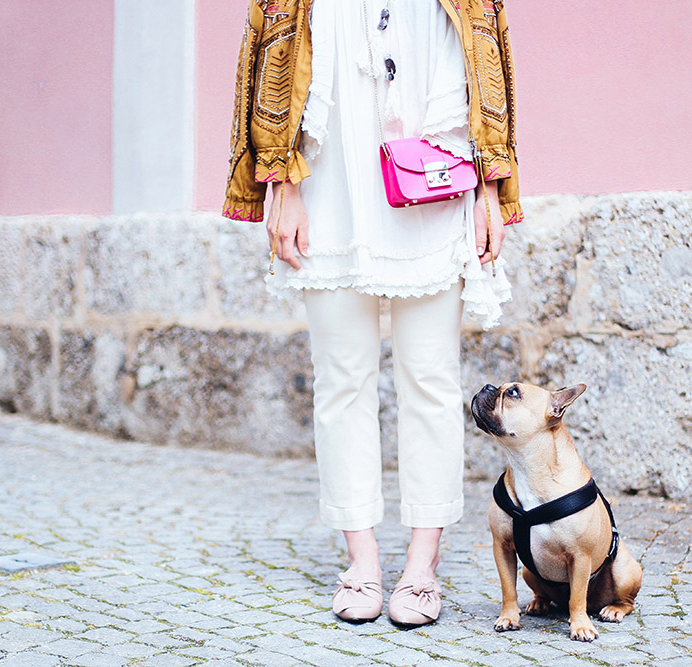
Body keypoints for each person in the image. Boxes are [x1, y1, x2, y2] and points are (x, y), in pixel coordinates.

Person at [223, 0, 521, 627]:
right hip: (330, 185)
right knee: (341, 377)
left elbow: (483, 63)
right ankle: (361, 561)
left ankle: (421, 567)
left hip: (435, 180)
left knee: (430, 378)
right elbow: (271, 60)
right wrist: (285, 186)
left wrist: (490, 191)